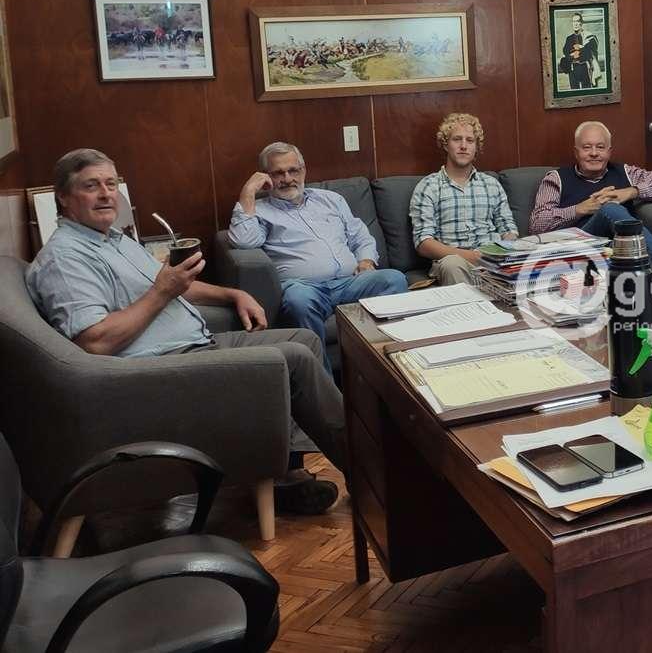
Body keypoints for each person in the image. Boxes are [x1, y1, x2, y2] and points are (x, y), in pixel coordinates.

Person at [26, 148, 346, 514]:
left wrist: (233, 294)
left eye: (111, 184)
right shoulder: (66, 258)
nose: (106, 194)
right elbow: (95, 341)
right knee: (295, 357)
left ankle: (285, 475)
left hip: (194, 347)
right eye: (91, 186)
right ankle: (369, 470)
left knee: (302, 338)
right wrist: (162, 291)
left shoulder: (112, 239)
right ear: (63, 197)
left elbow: (174, 284)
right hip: (164, 370)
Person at [229, 142, 408, 372]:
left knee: (394, 279)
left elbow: (360, 235)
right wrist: (248, 191)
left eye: (293, 170)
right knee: (298, 300)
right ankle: (324, 385)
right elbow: (243, 241)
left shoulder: (331, 199)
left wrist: (366, 260)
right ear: (266, 177)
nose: (287, 178)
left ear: (303, 170)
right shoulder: (261, 211)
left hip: (350, 282)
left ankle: (389, 369)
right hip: (305, 288)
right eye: (278, 173)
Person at [530, 121, 652, 273]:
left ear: (609, 152)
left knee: (612, 216)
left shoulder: (626, 172)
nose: (594, 153)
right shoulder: (556, 178)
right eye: (587, 147)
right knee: (610, 208)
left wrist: (631, 192)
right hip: (580, 248)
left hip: (620, 249)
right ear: (576, 152)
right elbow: (536, 225)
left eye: (600, 147)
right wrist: (579, 209)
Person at [409, 113, 518, 285]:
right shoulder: (429, 186)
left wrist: (503, 251)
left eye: (470, 140)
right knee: (453, 264)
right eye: (457, 139)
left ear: (476, 147)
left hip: (492, 260)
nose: (463, 146)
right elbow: (423, 243)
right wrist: (471, 256)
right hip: (453, 261)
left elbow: (508, 229)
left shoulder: (491, 184)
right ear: (446, 144)